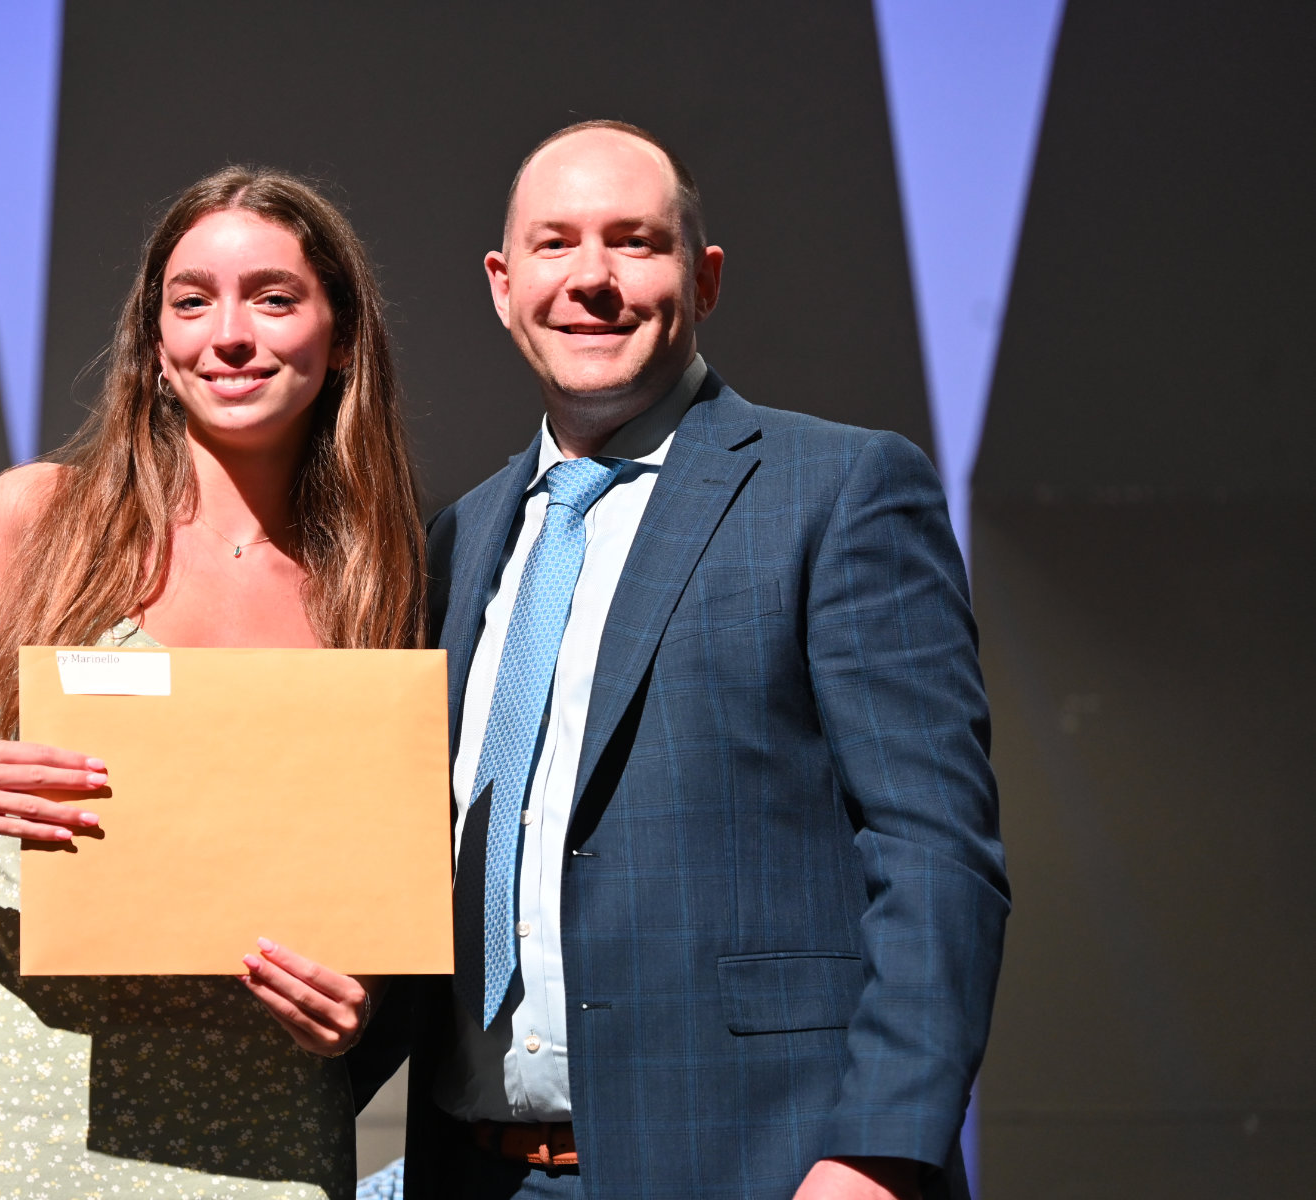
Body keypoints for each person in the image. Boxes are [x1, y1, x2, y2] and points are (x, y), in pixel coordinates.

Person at [348, 121, 1009, 1199]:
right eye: (555, 245)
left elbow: (934, 851)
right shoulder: (455, 543)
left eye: (635, 242)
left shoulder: (838, 491)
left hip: (768, 1166)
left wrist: (879, 1153)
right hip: (478, 1171)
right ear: (503, 285)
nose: (592, 279)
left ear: (703, 280)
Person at [0, 166, 425, 1199]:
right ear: (155, 345)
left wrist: (364, 999)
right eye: (191, 301)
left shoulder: (383, 577)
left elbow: (376, 889)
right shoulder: (38, 522)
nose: (229, 334)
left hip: (261, 1121)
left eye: (273, 297)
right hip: (29, 1105)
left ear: (341, 336)